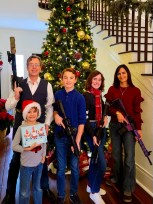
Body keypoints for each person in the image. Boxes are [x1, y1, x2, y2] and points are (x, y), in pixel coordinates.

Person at [3, 55, 55, 204]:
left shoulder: (47, 85)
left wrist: (46, 124)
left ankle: (44, 187)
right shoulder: (19, 83)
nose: (34, 67)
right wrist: (16, 96)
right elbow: (8, 107)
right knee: (16, 158)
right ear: (27, 67)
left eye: (36, 64)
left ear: (40, 67)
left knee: (41, 157)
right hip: (22, 125)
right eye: (31, 64)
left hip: (39, 127)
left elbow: (49, 107)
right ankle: (9, 193)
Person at [104, 64, 144, 203]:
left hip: (129, 127)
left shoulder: (135, 91)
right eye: (119, 73)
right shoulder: (112, 89)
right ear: (116, 75)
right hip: (115, 126)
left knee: (129, 158)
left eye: (124, 73)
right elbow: (108, 108)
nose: (121, 75)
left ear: (128, 74)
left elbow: (137, 112)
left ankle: (127, 188)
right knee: (116, 155)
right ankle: (116, 178)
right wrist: (117, 113)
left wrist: (138, 129)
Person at [53, 68, 86, 204]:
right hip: (60, 137)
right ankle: (61, 194)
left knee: (74, 167)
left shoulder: (80, 97)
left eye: (71, 78)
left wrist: (77, 142)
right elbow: (54, 109)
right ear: (62, 79)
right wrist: (56, 116)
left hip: (74, 138)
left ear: (75, 80)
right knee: (61, 168)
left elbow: (82, 122)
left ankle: (73, 193)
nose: (68, 80)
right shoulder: (58, 94)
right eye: (65, 77)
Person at [12, 100, 46, 204]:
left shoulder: (41, 126)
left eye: (34, 111)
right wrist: (26, 148)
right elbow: (14, 146)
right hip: (26, 164)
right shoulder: (21, 128)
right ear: (25, 113)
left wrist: (43, 156)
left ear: (38, 113)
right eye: (29, 112)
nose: (32, 114)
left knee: (37, 188)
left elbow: (44, 143)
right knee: (24, 191)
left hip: (39, 163)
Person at [83, 71, 108, 204]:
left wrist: (105, 119)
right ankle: (95, 192)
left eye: (99, 79)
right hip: (91, 130)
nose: (97, 82)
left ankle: (90, 186)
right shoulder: (86, 96)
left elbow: (103, 112)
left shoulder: (100, 96)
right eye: (94, 79)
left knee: (94, 159)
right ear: (90, 80)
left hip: (101, 129)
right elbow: (84, 118)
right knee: (102, 164)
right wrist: (93, 135)